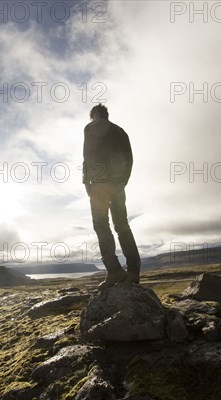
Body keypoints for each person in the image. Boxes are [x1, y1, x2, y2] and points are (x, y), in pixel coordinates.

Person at [82, 104, 141, 288]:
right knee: (122, 226)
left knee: (100, 224)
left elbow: (87, 156)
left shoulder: (90, 127)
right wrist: (123, 181)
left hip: (99, 184)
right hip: (118, 184)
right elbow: (129, 159)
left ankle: (114, 271)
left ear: (94, 115)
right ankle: (133, 272)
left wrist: (87, 182)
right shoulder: (120, 131)